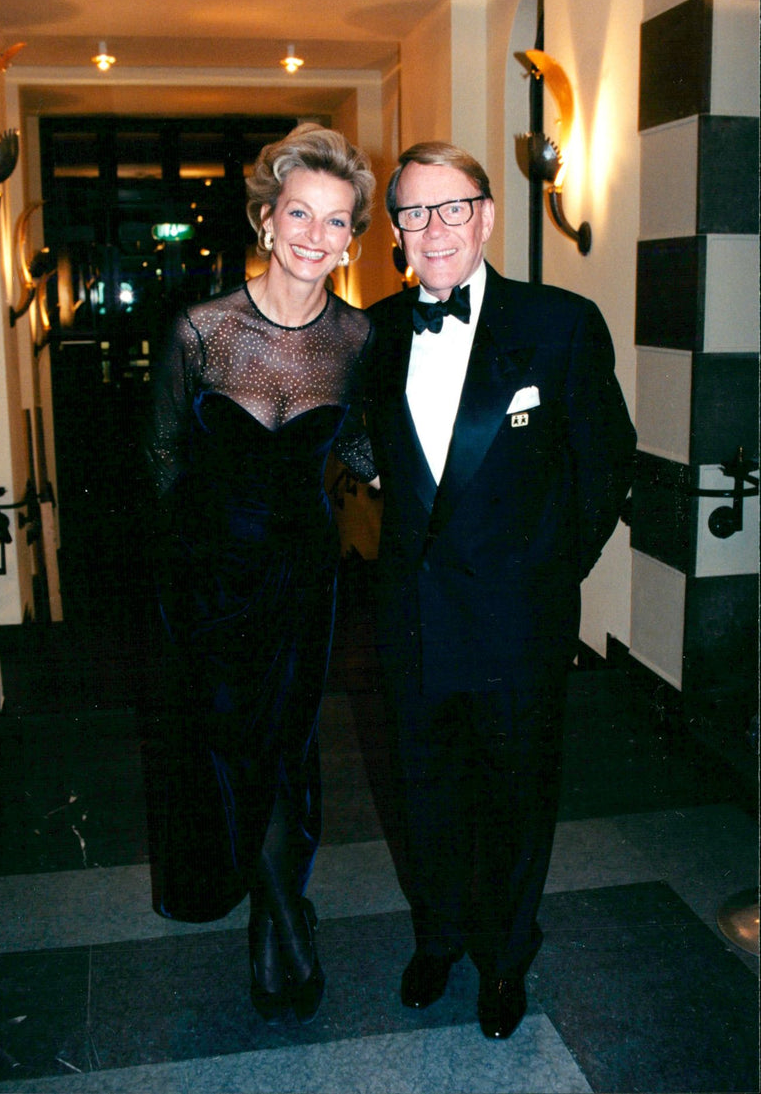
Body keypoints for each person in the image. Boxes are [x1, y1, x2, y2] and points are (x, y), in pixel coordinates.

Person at [364, 141, 635, 1039]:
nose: (432, 230)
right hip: (410, 626)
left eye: (451, 208)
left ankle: (506, 957)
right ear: (395, 230)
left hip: (516, 625)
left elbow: (605, 466)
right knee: (423, 794)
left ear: (486, 215)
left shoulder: (560, 323)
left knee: (518, 799)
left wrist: (549, 577)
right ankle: (439, 936)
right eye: (413, 212)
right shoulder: (374, 332)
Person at [143, 124, 377, 1027]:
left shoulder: (356, 336)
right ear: (269, 219)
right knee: (228, 747)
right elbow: (162, 457)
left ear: (352, 238)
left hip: (302, 580)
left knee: (285, 747)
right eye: (300, 214)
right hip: (207, 580)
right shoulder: (202, 329)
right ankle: (280, 905)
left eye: (338, 221)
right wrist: (190, 563)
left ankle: (280, 922)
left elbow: (356, 445)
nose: (316, 235)